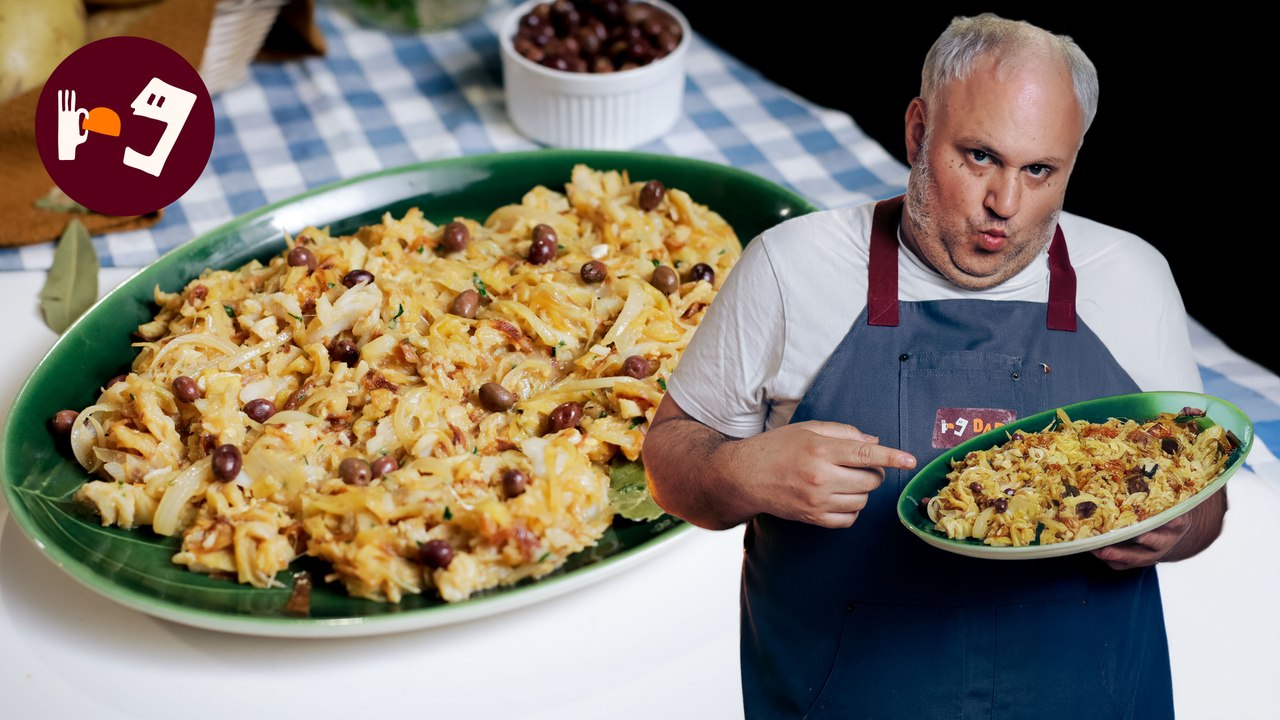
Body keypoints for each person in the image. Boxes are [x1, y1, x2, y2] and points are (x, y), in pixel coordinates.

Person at [642, 13, 1228, 720]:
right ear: (918, 132)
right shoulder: (789, 269)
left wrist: (1175, 530)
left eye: (1039, 170)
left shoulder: (1132, 278)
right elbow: (668, 462)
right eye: (979, 156)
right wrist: (742, 471)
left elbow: (1206, 501)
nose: (1004, 206)